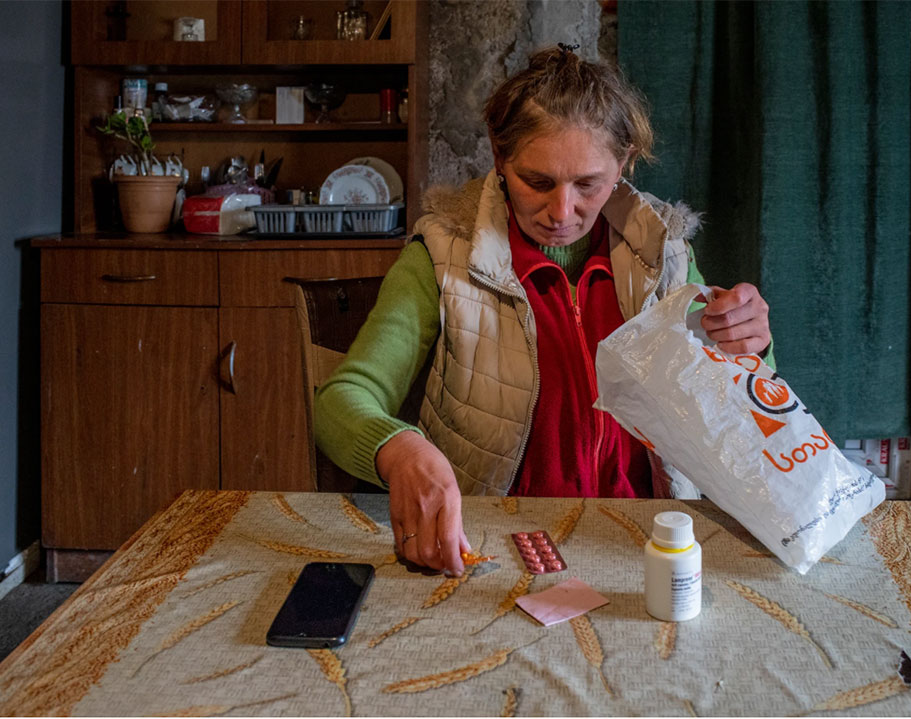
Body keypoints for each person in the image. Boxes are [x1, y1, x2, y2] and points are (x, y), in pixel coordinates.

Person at [315, 45, 772, 578]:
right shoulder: (443, 255)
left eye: (588, 185)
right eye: (537, 182)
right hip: (492, 549)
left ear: (623, 162)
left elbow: (742, 407)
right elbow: (341, 402)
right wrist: (399, 451)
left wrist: (752, 346)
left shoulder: (664, 255)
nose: (561, 213)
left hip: (648, 543)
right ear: (499, 157)